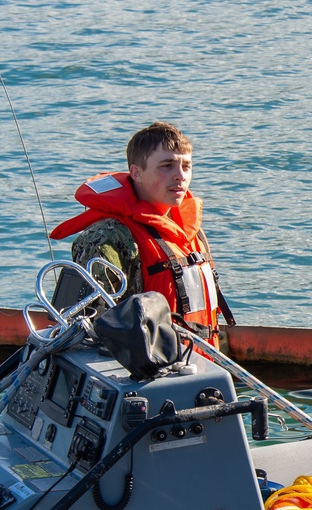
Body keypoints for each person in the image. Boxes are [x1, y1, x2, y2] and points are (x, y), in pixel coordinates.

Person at [50, 121, 234, 347]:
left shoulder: (191, 233)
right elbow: (87, 330)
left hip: (201, 366)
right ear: (136, 173)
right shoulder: (108, 238)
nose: (180, 176)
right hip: (147, 373)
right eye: (167, 165)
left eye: (186, 166)